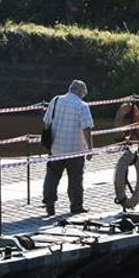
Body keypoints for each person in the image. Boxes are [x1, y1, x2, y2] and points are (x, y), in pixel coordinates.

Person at [42, 79, 94, 216]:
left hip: (56, 148)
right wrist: (90, 149)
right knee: (75, 179)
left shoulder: (56, 100)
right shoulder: (82, 106)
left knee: (52, 177)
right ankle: (76, 206)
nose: (83, 97)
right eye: (83, 94)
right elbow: (87, 129)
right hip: (75, 150)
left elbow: (46, 122)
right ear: (80, 92)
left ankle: (49, 204)